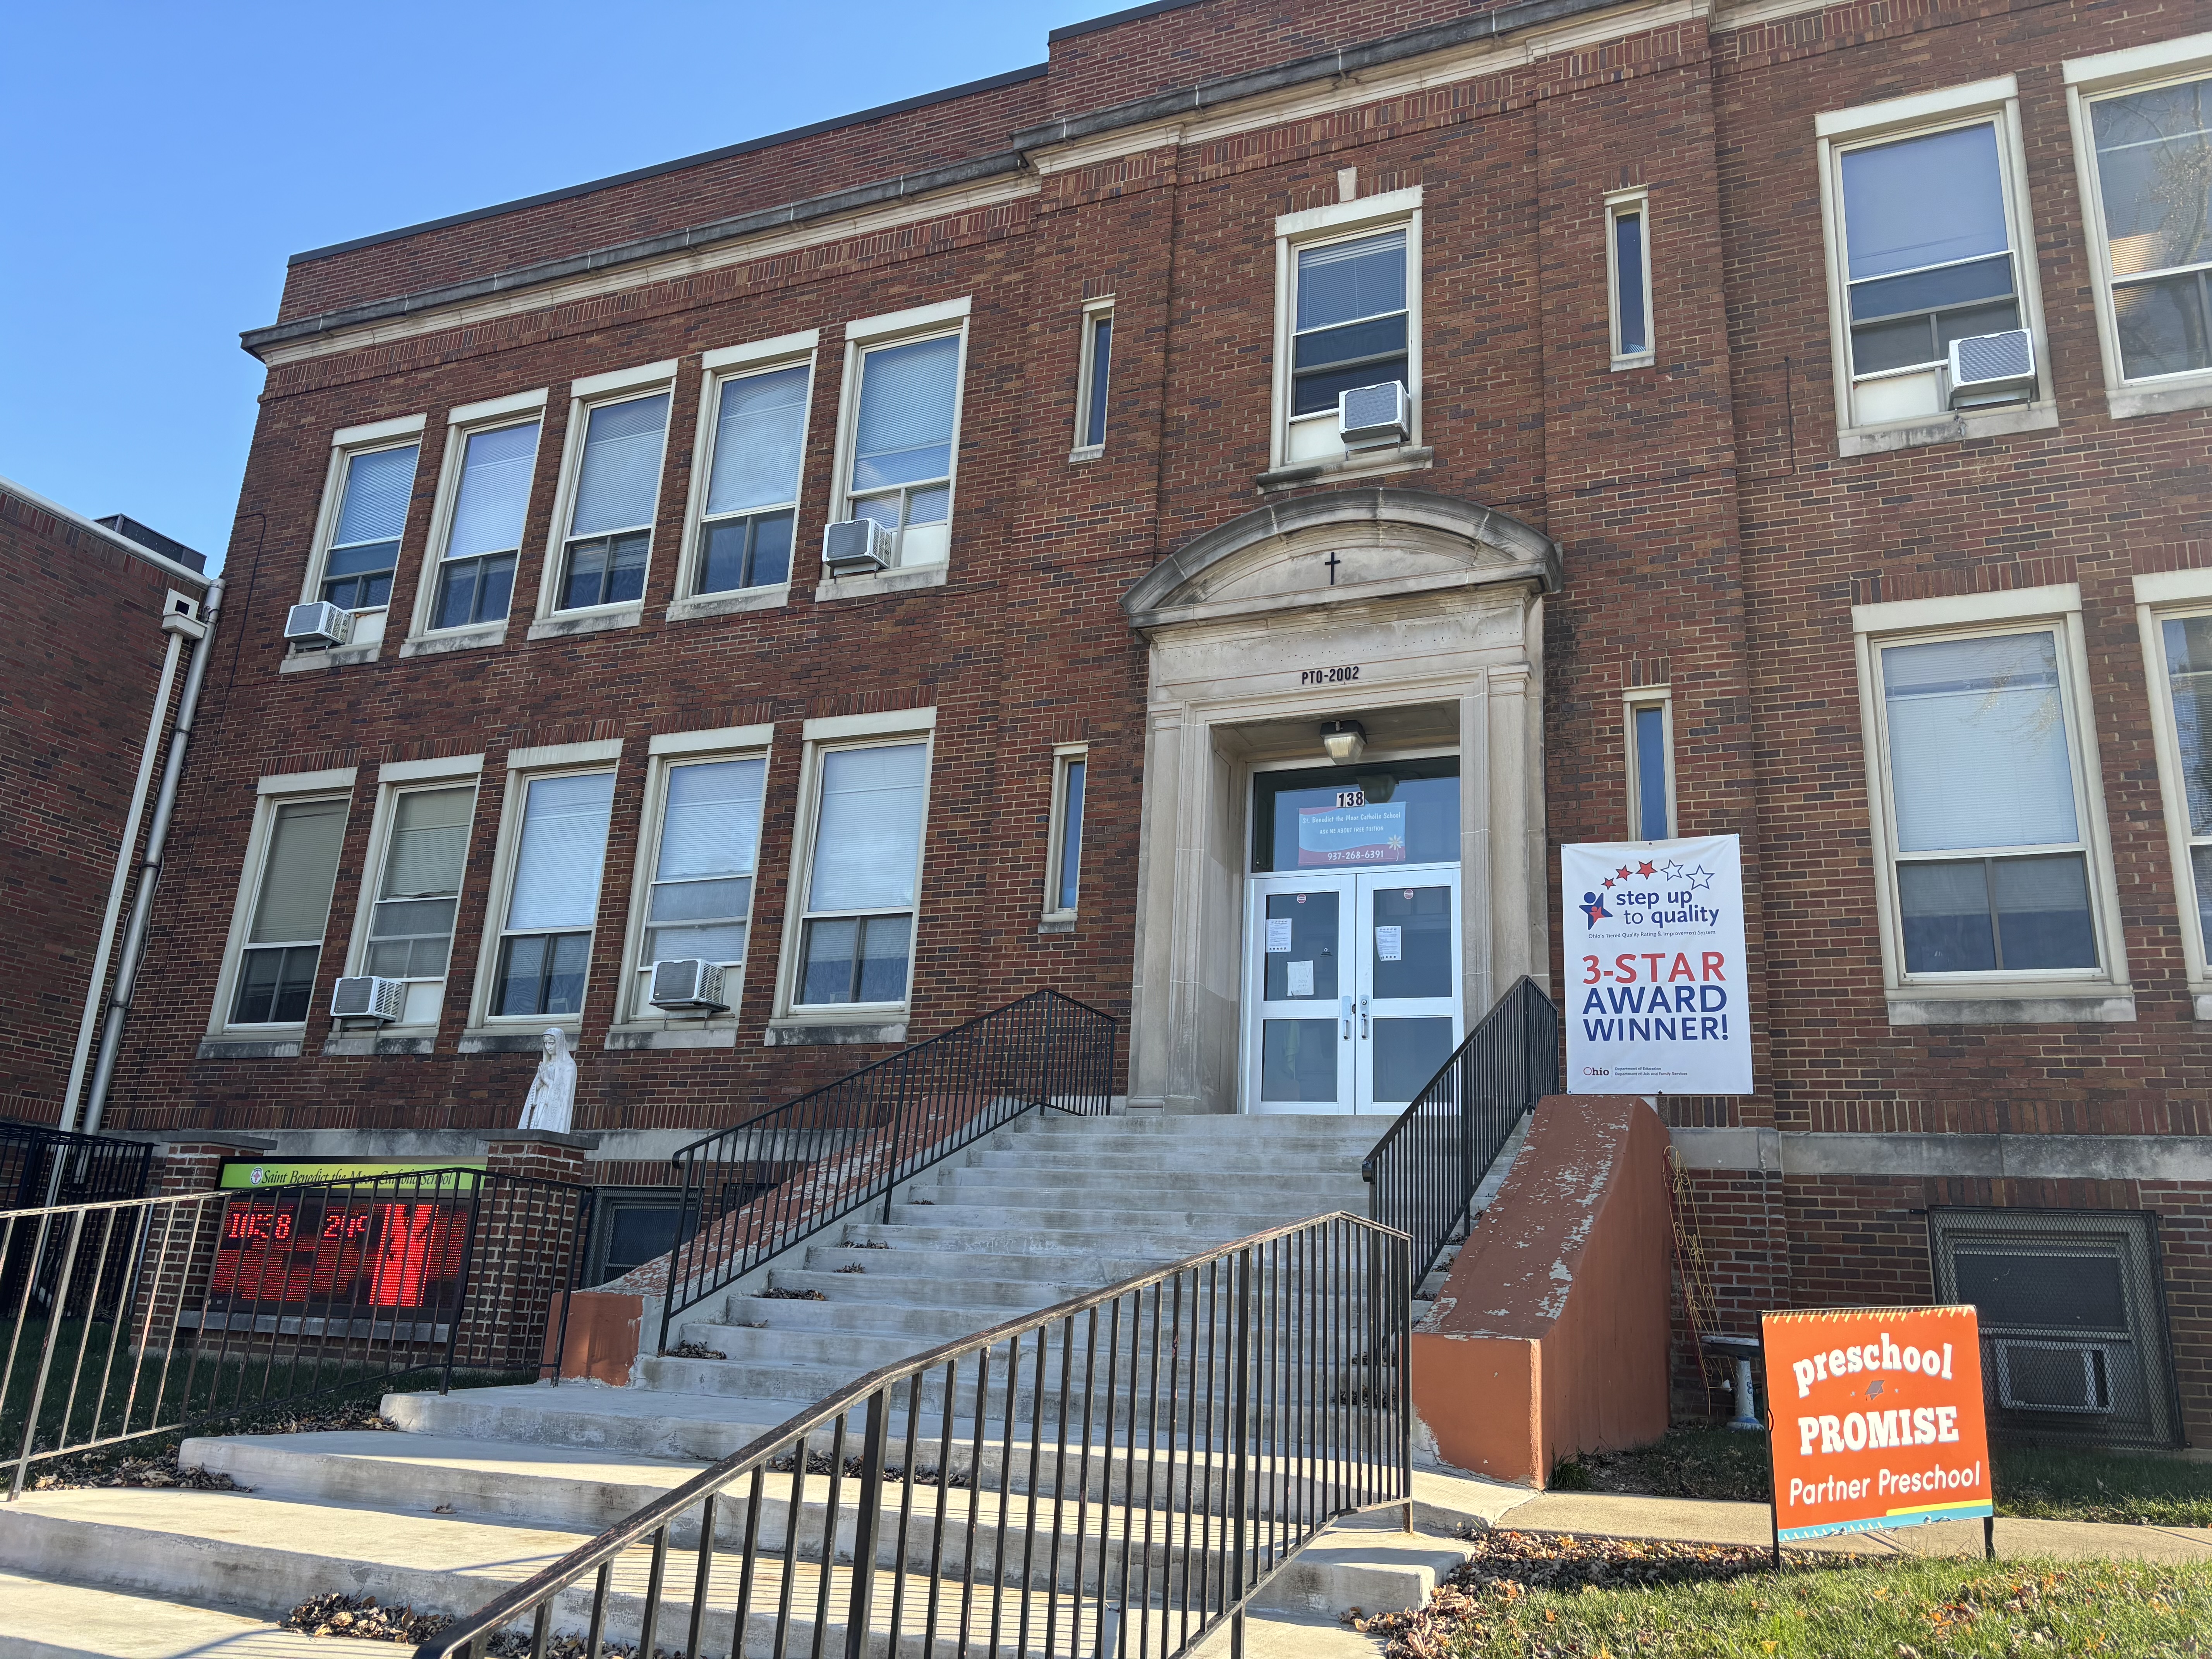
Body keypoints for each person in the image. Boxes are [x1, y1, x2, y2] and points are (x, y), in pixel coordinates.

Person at [518, 1027, 577, 1132]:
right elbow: (534, 1094)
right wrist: (539, 1085)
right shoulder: (547, 1064)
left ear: (559, 1043)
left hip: (552, 1110)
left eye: (551, 1043)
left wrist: (547, 1080)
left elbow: (564, 1094)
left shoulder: (568, 1066)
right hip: (540, 1105)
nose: (548, 1047)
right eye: (546, 1044)